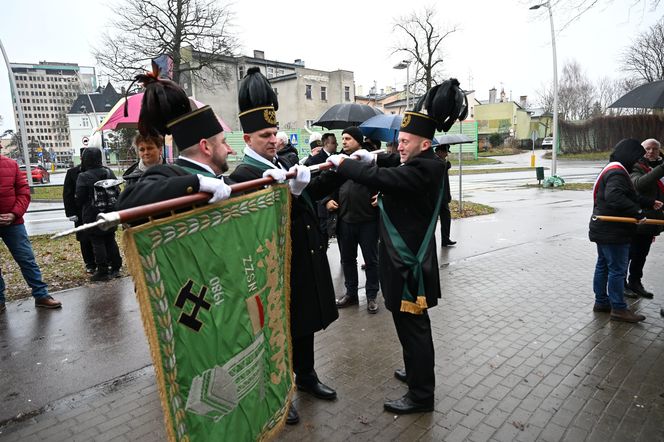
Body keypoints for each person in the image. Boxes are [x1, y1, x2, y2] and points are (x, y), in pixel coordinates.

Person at [327, 78, 468, 414]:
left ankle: (421, 396)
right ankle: (415, 371)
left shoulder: (425, 170)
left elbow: (385, 178)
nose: (399, 146)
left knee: (414, 329)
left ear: (424, 144)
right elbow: (390, 166)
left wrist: (345, 163)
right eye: (398, 141)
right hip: (403, 263)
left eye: (405, 142)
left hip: (409, 268)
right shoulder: (422, 163)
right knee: (409, 329)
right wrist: (368, 155)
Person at [229, 67, 344, 425]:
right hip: (273, 267)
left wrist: (332, 171)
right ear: (247, 139)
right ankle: (281, 391)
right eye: (265, 134)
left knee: (304, 322)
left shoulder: (282, 164)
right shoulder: (243, 176)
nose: (273, 138)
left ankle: (306, 376)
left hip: (303, 258)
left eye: (274, 132)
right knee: (278, 329)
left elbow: (306, 199)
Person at [117, 73, 234, 212]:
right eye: (224, 142)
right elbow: (126, 202)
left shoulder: (223, 182)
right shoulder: (166, 176)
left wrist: (265, 180)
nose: (230, 149)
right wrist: (196, 183)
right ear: (206, 147)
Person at [589, 138, 663, 323]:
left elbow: (627, 193)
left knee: (604, 266)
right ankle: (619, 309)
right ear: (629, 156)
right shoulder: (617, 173)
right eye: (637, 158)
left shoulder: (614, 168)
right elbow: (615, 197)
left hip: (603, 227)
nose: (638, 162)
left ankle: (601, 302)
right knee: (617, 270)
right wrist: (638, 212)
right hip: (613, 230)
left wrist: (648, 202)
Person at [0, 154, 61, 311]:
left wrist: (14, 214)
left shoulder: (10, 165)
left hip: (13, 223)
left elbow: (24, 192)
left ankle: (41, 295)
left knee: (27, 259)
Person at [329, 126, 380, 313]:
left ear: (358, 141)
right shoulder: (339, 163)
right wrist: (328, 200)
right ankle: (351, 294)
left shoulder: (370, 161)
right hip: (346, 221)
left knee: (371, 260)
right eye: (342, 139)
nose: (344, 142)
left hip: (368, 221)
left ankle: (372, 296)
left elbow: (383, 182)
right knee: (348, 260)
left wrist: (381, 196)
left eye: (348, 139)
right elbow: (329, 186)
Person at [75, 148, 123, 281]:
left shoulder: (83, 176)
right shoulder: (109, 172)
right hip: (111, 211)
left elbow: (80, 197)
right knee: (110, 239)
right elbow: (117, 189)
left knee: (97, 242)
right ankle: (116, 267)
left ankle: (102, 271)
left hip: (92, 214)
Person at [625, 138, 664, 299]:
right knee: (629, 254)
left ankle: (635, 282)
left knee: (641, 255)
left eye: (654, 149)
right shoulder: (636, 166)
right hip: (638, 219)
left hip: (654, 221)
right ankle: (622, 284)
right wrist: (661, 169)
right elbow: (638, 184)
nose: (651, 151)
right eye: (647, 148)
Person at [63, 149, 96, 273]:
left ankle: (103, 261)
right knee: (84, 238)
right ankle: (90, 263)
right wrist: (70, 213)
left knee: (100, 237)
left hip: (97, 209)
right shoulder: (72, 173)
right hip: (80, 211)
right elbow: (68, 194)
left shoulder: (100, 170)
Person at [434, 144, 456, 247]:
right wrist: (446, 164)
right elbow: (442, 167)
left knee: (446, 219)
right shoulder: (435, 161)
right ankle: (429, 241)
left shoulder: (443, 162)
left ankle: (445, 239)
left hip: (444, 197)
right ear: (439, 152)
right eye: (445, 152)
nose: (447, 154)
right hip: (436, 198)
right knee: (433, 221)